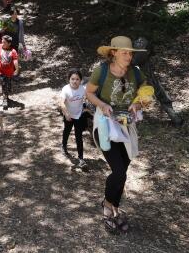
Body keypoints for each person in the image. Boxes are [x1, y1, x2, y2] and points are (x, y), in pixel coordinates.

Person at [85, 36, 147, 234]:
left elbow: (146, 94)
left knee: (124, 171)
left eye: (130, 53)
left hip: (128, 126)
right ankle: (107, 205)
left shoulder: (135, 72)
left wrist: (138, 103)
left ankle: (114, 206)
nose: (129, 56)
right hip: (106, 126)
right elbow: (89, 93)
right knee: (118, 171)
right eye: (125, 53)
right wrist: (102, 105)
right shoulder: (101, 71)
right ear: (113, 53)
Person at [59, 68, 88, 168]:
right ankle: (63, 145)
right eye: (72, 79)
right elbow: (61, 103)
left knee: (78, 136)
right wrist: (66, 114)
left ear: (80, 80)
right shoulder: (65, 89)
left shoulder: (83, 89)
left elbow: (87, 98)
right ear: (69, 79)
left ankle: (81, 159)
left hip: (79, 115)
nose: (75, 81)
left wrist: (86, 108)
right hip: (68, 115)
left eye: (77, 79)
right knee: (67, 130)